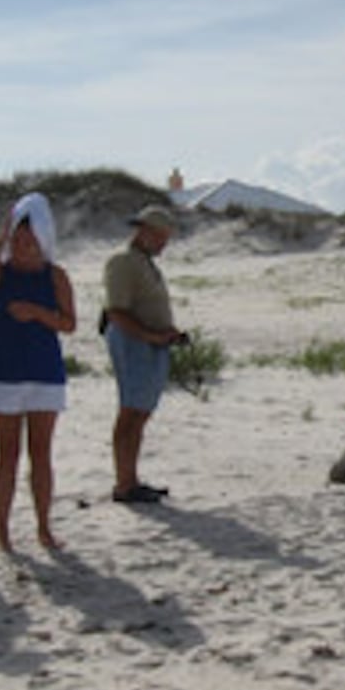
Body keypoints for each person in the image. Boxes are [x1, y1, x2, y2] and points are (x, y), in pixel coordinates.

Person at [0, 192, 76, 551]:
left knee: (41, 452)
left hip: (43, 369)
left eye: (29, 240)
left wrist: (36, 313)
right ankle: (2, 529)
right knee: (7, 453)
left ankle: (43, 527)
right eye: (17, 240)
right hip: (5, 368)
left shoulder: (56, 276)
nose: (22, 247)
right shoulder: (1, 272)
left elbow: (69, 323)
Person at [101, 204, 187, 504]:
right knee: (130, 412)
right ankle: (124, 482)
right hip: (134, 343)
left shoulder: (144, 263)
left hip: (151, 344)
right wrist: (152, 335)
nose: (164, 243)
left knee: (140, 412)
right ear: (145, 232)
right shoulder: (123, 262)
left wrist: (167, 334)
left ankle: (130, 479)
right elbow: (116, 312)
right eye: (161, 236)